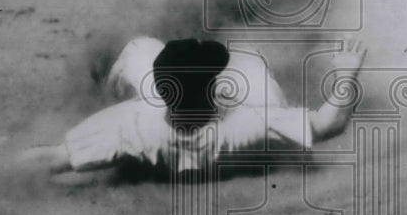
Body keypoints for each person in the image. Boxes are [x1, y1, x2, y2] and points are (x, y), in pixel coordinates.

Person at [28, 36, 368, 178]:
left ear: (161, 92)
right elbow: (329, 125)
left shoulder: (130, 126)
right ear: (214, 87)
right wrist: (347, 73)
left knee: (139, 48)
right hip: (240, 150)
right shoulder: (251, 123)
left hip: (156, 146)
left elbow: (53, 158)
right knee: (249, 60)